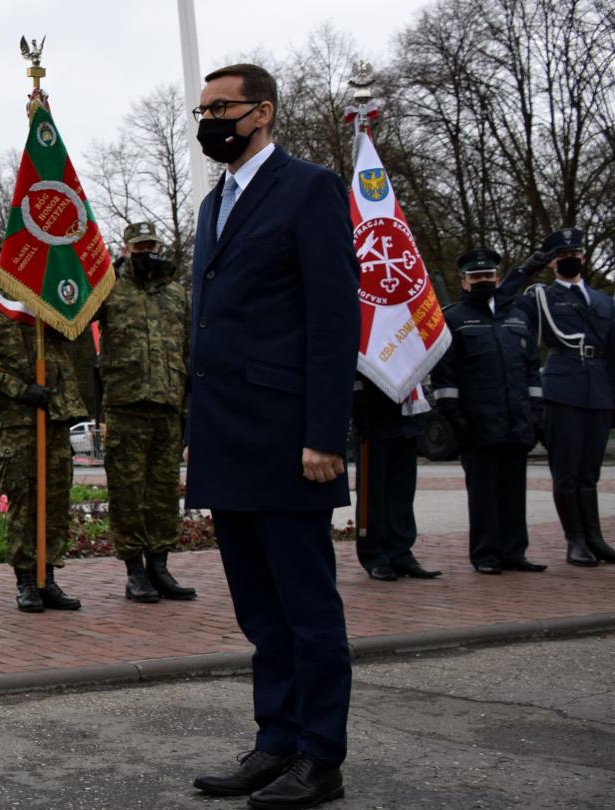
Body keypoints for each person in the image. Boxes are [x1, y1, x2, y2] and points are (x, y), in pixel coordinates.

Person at [183, 65, 359, 809]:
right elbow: (209, 327)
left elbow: (334, 318)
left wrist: (325, 434)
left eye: (220, 107)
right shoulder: (212, 204)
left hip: (289, 439)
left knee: (307, 610)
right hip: (227, 436)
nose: (209, 120)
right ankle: (276, 741)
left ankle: (320, 755)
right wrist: (195, 431)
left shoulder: (309, 187)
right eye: (202, 110)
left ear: (262, 112)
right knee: (260, 610)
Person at [0, 287, 88, 614]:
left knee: (56, 500)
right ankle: (27, 581)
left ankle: (48, 576)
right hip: (17, 420)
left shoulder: (49, 297)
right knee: (23, 501)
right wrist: (20, 389)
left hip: (55, 414)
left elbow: (75, 332)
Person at [96, 222, 196, 603]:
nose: (146, 252)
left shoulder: (176, 294)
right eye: (139, 247)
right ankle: (134, 571)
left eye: (151, 245)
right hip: (126, 406)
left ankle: (160, 566)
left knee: (163, 493)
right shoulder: (108, 289)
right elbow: (76, 325)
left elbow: (188, 347)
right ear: (126, 250)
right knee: (127, 493)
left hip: (167, 406)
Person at [431, 248, 545, 574]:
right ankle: (485, 554)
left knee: (514, 493)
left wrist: (535, 413)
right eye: (476, 276)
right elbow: (445, 377)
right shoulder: (453, 319)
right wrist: (455, 418)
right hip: (477, 424)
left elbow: (531, 370)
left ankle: (514, 552)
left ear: (497, 278)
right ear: (464, 282)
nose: (483, 281)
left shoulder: (518, 317)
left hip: (516, 420)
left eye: (488, 275)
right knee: (483, 495)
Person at [522, 228, 615, 566]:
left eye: (574, 254)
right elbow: (503, 301)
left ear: (584, 257)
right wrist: (527, 269)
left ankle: (594, 538)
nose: (570, 259)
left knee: (590, 471)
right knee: (567, 471)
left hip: (599, 390)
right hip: (563, 388)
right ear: (553, 263)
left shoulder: (604, 301)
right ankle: (575, 540)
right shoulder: (542, 297)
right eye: (562, 256)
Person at [351, 373, 433, 581]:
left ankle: (400, 553)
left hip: (406, 413)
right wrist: (358, 401)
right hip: (373, 410)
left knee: (402, 491)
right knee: (372, 491)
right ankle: (373, 555)